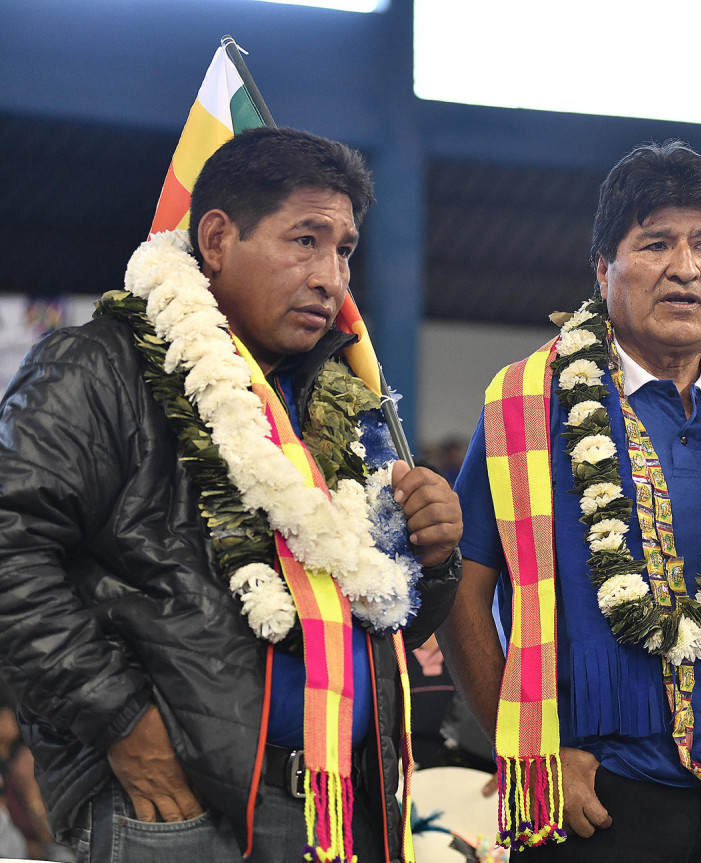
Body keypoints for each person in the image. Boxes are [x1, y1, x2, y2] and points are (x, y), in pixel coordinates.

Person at [0, 127, 463, 863]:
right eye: (304, 240)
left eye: (343, 249)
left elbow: (385, 627)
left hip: (344, 810)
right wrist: (123, 720)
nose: (330, 276)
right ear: (216, 238)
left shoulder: (340, 402)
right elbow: (9, 548)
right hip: (176, 807)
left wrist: (432, 561)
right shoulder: (103, 364)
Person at [439, 140, 701, 862]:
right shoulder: (529, 403)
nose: (685, 268)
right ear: (604, 270)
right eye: (655, 243)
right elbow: (464, 590)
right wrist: (531, 750)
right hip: (597, 796)